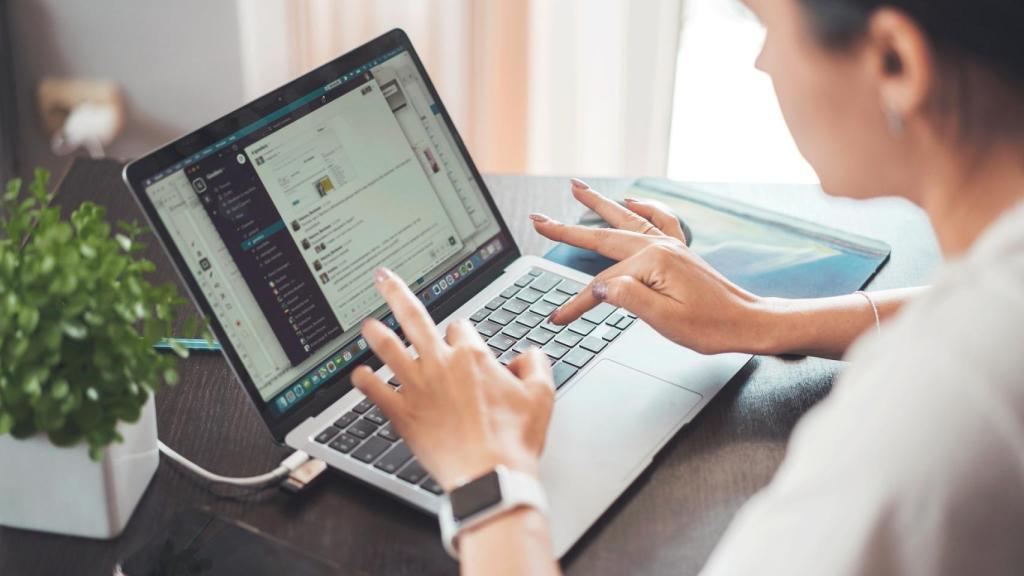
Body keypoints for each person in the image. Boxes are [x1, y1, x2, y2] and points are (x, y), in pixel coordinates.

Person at [351, 0, 1024, 573]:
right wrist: (762, 319)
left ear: (896, 63)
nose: (763, 63)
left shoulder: (922, 420)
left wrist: (485, 477)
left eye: (769, 25)